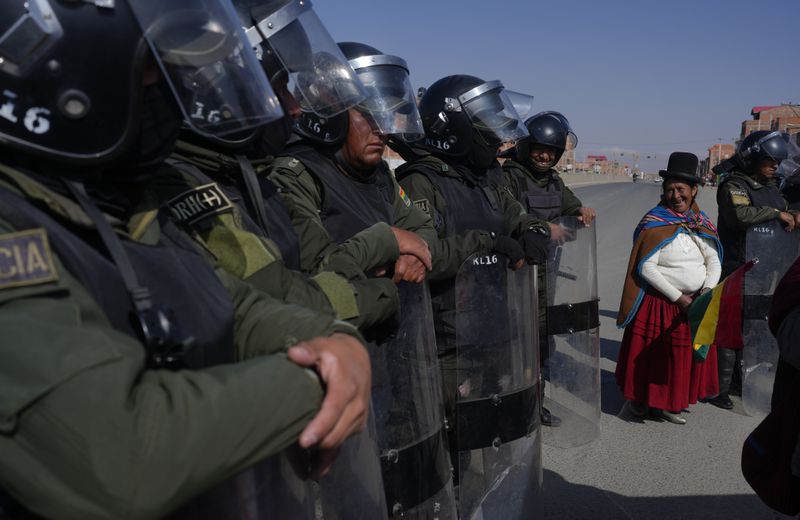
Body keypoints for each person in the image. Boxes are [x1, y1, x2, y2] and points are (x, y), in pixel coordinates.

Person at [0, 2, 371, 517]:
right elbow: (124, 456)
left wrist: (338, 340)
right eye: (161, 65)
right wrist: (320, 381)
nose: (180, 91)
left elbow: (233, 304)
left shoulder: (123, 204)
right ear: (72, 65)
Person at [396, 74, 547, 518]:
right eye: (484, 126)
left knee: (485, 442)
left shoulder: (487, 176)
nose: (495, 139)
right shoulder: (419, 183)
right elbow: (423, 258)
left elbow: (519, 216)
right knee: (441, 449)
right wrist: (486, 242)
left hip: (493, 331)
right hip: (443, 343)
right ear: (454, 127)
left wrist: (533, 233)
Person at [501, 110, 597, 427]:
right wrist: (544, 228)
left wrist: (581, 212)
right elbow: (506, 217)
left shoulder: (554, 180)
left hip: (547, 273)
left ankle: (535, 403)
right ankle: (510, 405)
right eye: (540, 148)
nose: (544, 156)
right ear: (527, 146)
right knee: (515, 341)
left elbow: (570, 204)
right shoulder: (509, 176)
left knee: (542, 340)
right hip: (513, 275)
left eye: (551, 151)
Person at [616, 152, 722, 424]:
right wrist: (678, 297)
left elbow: (713, 259)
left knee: (680, 357)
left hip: (695, 302)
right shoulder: (655, 222)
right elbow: (646, 267)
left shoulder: (702, 223)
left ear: (694, 190)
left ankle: (670, 402)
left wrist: (706, 291)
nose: (676, 195)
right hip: (660, 303)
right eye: (670, 189)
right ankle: (643, 402)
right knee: (654, 357)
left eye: (681, 190)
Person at [711, 130, 794, 409]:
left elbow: (783, 212)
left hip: (767, 268)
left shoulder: (771, 188)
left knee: (754, 327)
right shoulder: (734, 185)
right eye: (770, 160)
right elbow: (739, 215)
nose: (775, 166)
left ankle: (740, 381)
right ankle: (719, 388)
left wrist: (792, 215)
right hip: (739, 267)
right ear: (754, 157)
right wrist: (776, 214)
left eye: (778, 162)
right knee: (730, 328)